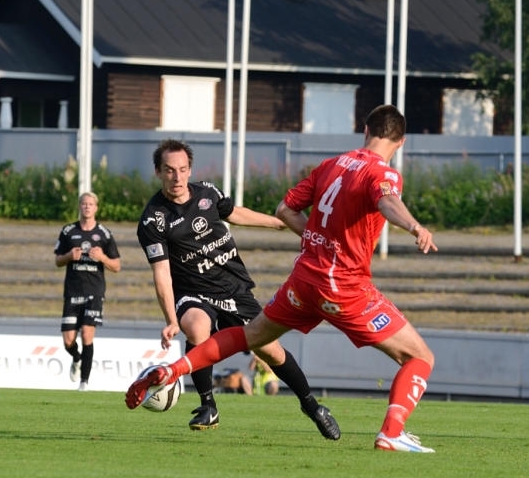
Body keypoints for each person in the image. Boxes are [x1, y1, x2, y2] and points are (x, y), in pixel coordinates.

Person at [127, 105, 439, 453]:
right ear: (402, 142)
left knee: (254, 338)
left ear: (365, 130)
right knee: (420, 357)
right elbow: (387, 200)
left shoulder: (330, 165)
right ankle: (391, 432)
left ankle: (173, 371)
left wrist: (314, 239)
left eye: (183, 169)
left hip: (302, 279)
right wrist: (414, 225)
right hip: (342, 286)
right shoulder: (384, 173)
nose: (177, 175)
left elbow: (283, 210)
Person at [135, 138, 339, 439]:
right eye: (168, 170)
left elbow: (235, 214)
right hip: (193, 292)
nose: (176, 177)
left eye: (181, 169)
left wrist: (276, 223)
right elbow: (162, 273)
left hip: (234, 288)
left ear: (190, 169)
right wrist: (170, 319)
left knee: (271, 352)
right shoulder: (153, 219)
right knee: (196, 327)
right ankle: (208, 406)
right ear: (158, 172)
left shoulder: (208, 192)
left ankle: (312, 406)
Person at [54, 192, 121, 391]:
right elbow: (57, 260)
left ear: (96, 208)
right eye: (84, 203)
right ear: (79, 206)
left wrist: (102, 258)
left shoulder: (104, 234)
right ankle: (76, 358)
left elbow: (116, 265)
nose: (87, 207)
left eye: (90, 204)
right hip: (72, 291)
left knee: (86, 334)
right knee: (68, 341)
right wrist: (68, 256)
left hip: (95, 292)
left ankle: (84, 382)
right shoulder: (68, 231)